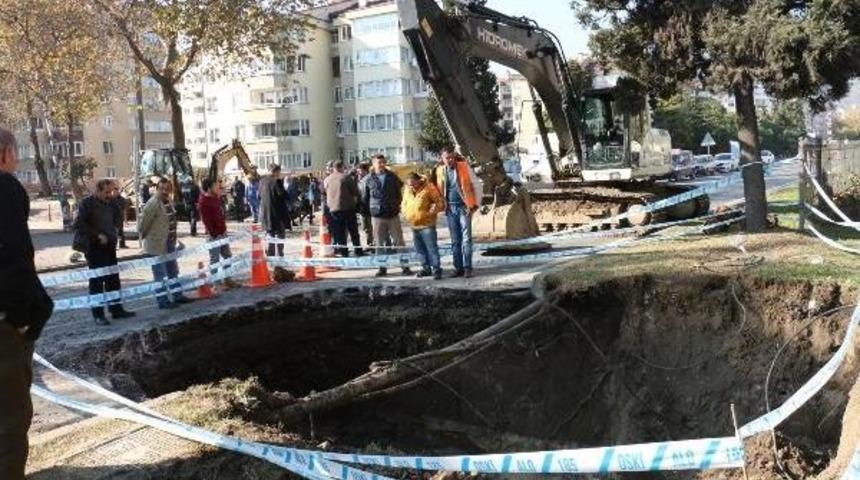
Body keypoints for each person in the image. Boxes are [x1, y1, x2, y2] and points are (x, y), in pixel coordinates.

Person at [0, 127, 54, 480]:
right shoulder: (5, 189)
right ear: (5, 152)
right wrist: (23, 318)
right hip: (4, 326)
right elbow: (15, 258)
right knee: (9, 421)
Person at [73, 179, 136, 325]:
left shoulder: (112, 202)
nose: (109, 195)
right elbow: (78, 224)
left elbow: (121, 212)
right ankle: (98, 315)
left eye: (111, 191)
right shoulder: (86, 204)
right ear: (97, 190)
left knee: (113, 279)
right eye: (106, 192)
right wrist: (97, 235)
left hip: (109, 246)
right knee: (97, 281)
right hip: (94, 247)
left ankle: (116, 309)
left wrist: (117, 194)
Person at [139, 178, 192, 309]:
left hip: (169, 243)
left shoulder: (169, 201)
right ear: (157, 189)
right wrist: (148, 241)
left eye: (167, 189)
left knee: (173, 271)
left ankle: (177, 295)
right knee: (160, 275)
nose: (164, 191)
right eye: (161, 188)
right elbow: (142, 227)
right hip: (156, 245)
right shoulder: (152, 204)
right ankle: (162, 301)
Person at [360, 154, 411, 277]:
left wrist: (396, 206)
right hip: (377, 216)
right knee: (379, 244)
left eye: (383, 162)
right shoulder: (367, 179)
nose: (381, 164)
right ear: (373, 164)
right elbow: (364, 199)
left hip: (392, 215)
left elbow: (399, 194)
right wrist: (369, 213)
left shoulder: (392, 177)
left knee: (399, 242)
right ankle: (382, 268)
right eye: (379, 162)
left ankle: (405, 266)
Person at [435, 147, 482, 278]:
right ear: (442, 158)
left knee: (467, 239)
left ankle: (468, 268)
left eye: (451, 157)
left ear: (454, 156)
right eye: (446, 158)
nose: (449, 160)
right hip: (450, 209)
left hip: (464, 208)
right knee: (455, 241)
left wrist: (475, 205)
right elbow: (440, 190)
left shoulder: (464, 166)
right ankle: (458, 268)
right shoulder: (440, 171)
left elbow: (477, 185)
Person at [198, 178, 241, 289]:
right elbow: (206, 220)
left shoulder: (216, 199)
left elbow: (221, 215)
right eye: (215, 185)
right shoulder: (204, 201)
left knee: (227, 256)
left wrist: (224, 229)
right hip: (214, 235)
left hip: (222, 233)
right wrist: (213, 233)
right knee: (215, 259)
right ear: (209, 187)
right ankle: (215, 283)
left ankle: (228, 279)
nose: (218, 187)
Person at [402, 172, 445, 280]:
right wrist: (405, 213)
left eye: (413, 184)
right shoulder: (407, 190)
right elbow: (404, 203)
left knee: (431, 248)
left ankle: (436, 269)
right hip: (414, 225)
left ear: (418, 181)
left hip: (427, 225)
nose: (411, 186)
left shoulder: (429, 188)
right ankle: (426, 268)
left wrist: (430, 213)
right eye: (409, 184)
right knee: (420, 250)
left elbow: (439, 203)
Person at [324, 160, 363, 257]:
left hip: (333, 209)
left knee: (339, 232)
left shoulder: (327, 179)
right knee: (353, 231)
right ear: (342, 167)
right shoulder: (346, 177)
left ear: (333, 168)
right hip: (348, 208)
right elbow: (355, 192)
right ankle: (358, 250)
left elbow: (324, 192)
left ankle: (344, 252)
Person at [259, 165, 290, 257]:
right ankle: (280, 255)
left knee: (270, 235)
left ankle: (270, 255)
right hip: (277, 214)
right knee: (280, 235)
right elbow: (283, 195)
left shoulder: (262, 181)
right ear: (276, 172)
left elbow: (258, 196)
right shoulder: (277, 181)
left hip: (265, 214)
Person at [356, 162, 374, 247]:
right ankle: (370, 243)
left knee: (371, 227)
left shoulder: (371, 179)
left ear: (364, 170)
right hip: (362, 208)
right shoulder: (359, 181)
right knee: (365, 228)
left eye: (359, 171)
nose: (358, 173)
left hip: (370, 208)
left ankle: (374, 244)